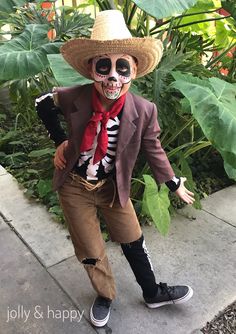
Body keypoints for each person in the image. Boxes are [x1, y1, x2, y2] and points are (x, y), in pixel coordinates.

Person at [35, 10, 195, 328]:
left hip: (111, 185)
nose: (112, 78)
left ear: (134, 69)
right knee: (90, 246)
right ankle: (105, 294)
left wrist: (173, 181)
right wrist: (60, 141)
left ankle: (152, 292)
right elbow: (42, 102)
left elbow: (154, 148)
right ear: (92, 69)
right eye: (103, 67)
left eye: (121, 68)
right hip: (75, 185)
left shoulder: (144, 110)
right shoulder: (74, 96)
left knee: (132, 238)